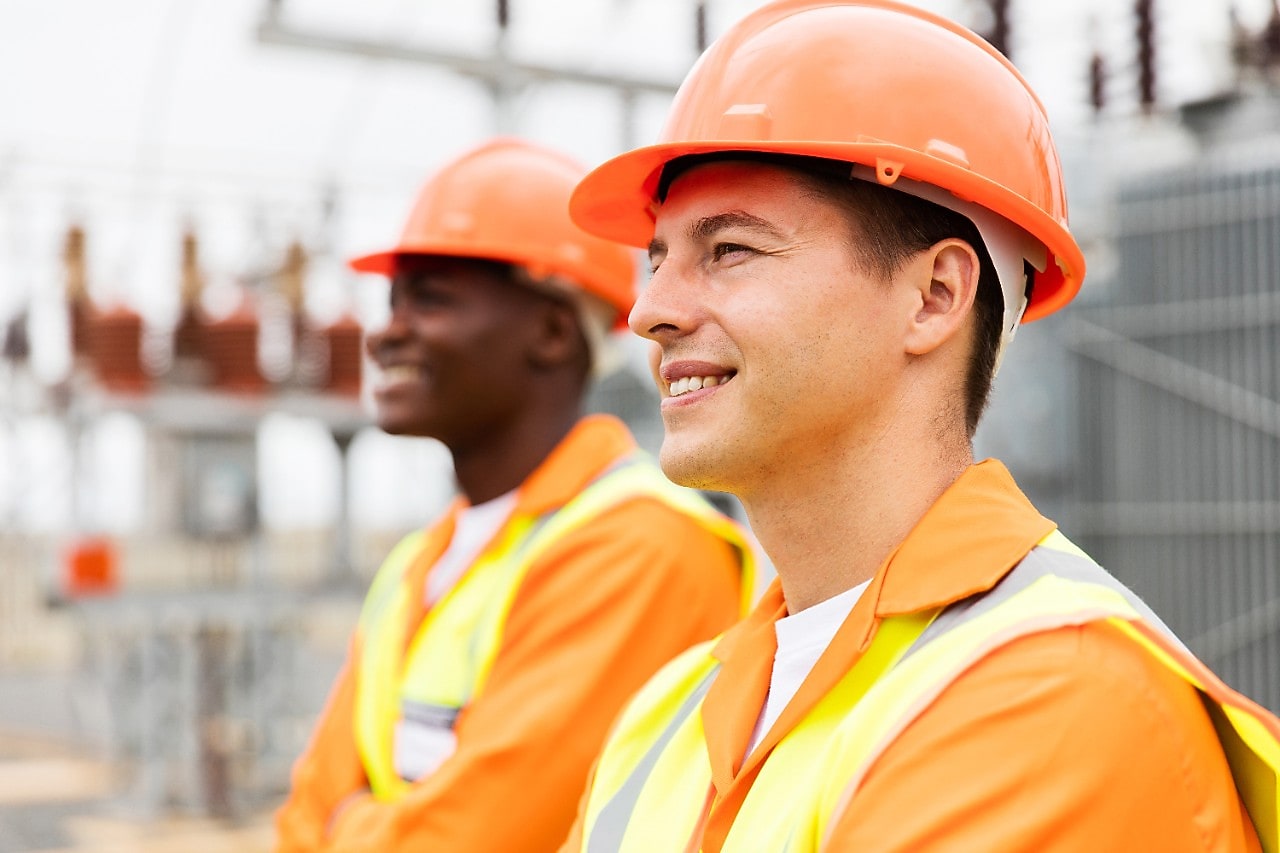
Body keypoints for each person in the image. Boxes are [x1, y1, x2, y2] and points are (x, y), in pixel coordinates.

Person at [560, 1, 1280, 851]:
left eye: (730, 251)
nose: (649, 311)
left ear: (935, 296)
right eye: (657, 260)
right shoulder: (672, 710)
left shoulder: (1053, 694)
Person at [274, 138, 753, 852]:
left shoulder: (644, 548)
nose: (385, 334)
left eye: (430, 300)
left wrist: (353, 821)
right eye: (393, 303)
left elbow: (478, 839)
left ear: (553, 332)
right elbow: (303, 813)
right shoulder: (420, 563)